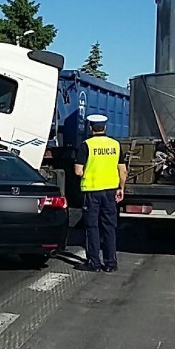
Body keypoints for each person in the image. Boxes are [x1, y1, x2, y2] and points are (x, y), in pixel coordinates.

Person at [73, 114, 127, 273]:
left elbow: (78, 171)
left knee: (92, 227)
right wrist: (121, 188)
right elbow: (123, 171)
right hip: (110, 191)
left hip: (92, 192)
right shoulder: (115, 145)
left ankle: (94, 263)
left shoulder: (86, 145)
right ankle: (111, 263)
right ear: (105, 127)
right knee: (109, 227)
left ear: (90, 128)